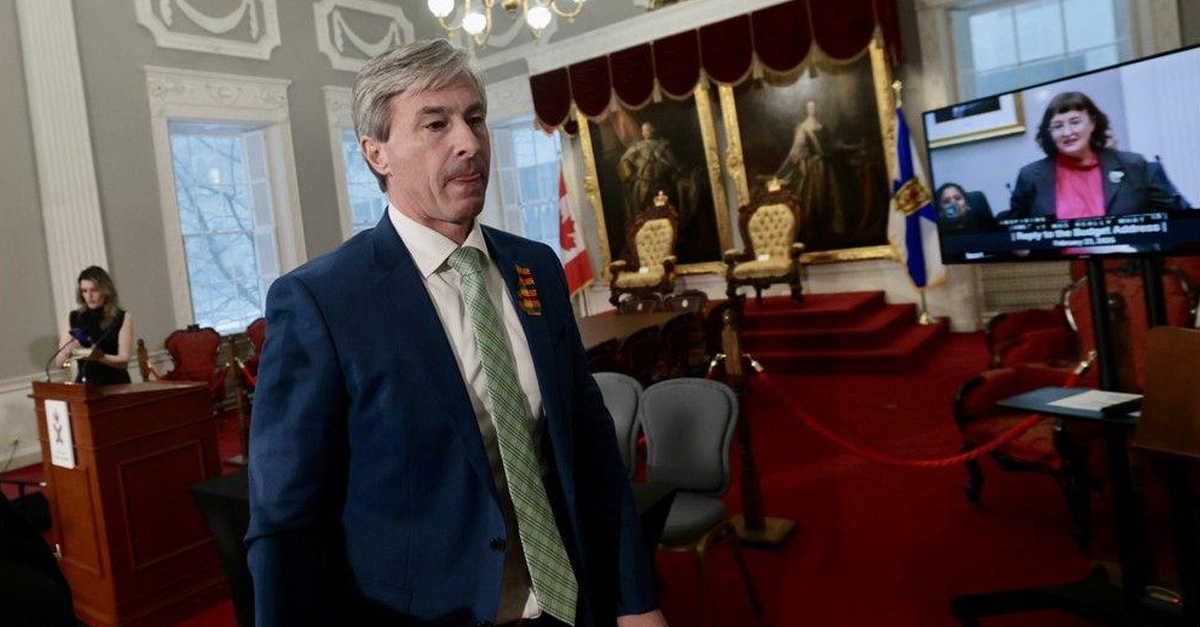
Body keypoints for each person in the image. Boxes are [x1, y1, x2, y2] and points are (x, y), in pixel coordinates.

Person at [246, 40, 666, 627]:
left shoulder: (536, 268)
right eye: (436, 124)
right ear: (376, 153)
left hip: (570, 605)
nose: (469, 142)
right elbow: (286, 523)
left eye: (475, 118)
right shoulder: (321, 301)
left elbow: (590, 446)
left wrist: (636, 600)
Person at [1004, 91, 1188, 220]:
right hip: (1059, 263)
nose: (1067, 132)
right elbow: (1013, 232)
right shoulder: (1030, 176)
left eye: (1075, 122)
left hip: (1129, 262)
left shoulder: (1134, 165)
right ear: (1049, 133)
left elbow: (1180, 218)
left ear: (1092, 123)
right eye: (1058, 126)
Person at [775, 100, 846, 238]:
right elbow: (796, 152)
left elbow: (830, 147)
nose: (813, 108)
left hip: (825, 167)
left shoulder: (823, 127)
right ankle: (814, 229)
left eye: (814, 106)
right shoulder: (802, 128)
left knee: (830, 196)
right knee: (813, 198)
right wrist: (800, 163)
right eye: (810, 107)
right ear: (806, 109)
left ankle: (830, 229)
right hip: (813, 168)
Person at [54, 266, 133, 385]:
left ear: (105, 290)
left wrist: (98, 355)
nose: (89, 296)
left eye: (94, 290)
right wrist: (67, 352)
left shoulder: (122, 317)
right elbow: (61, 365)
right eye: (84, 291)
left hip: (116, 385)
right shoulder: (73, 317)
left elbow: (124, 361)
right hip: (85, 386)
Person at [935, 183, 1000, 234]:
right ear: (941, 211)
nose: (953, 203)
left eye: (958, 198)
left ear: (967, 205)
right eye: (946, 201)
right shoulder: (937, 234)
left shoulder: (985, 226)